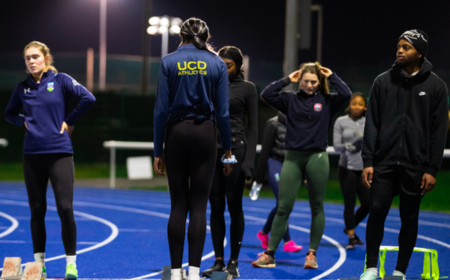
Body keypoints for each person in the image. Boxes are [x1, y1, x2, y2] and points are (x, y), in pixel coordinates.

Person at [360, 30, 448, 280]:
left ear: (419, 53)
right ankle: (371, 268)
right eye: (398, 46)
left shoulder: (437, 87)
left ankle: (400, 270)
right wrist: (368, 161)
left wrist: (432, 168)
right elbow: (372, 124)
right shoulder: (382, 82)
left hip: (416, 165)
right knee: (376, 210)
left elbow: (439, 131)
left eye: (406, 47)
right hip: (384, 162)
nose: (399, 51)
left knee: (409, 217)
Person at [4, 41, 96, 280]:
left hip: (59, 153)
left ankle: (71, 265)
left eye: (35, 56)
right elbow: (9, 114)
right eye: (27, 58)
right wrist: (22, 121)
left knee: (65, 208)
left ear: (46, 57)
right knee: (37, 210)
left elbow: (89, 98)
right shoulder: (21, 87)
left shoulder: (61, 80)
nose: (31, 61)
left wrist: (70, 119)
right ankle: (39, 266)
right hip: (32, 155)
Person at [153, 18, 235, 280]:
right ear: (207, 36)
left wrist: (158, 150)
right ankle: (195, 271)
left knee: (178, 205)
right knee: (200, 206)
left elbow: (161, 111)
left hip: (176, 133)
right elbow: (223, 113)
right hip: (205, 135)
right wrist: (228, 150)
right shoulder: (218, 63)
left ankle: (176, 273)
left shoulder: (168, 61)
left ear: (181, 36)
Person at [252, 62, 351, 269]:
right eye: (305, 81)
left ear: (319, 81)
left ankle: (311, 255)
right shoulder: (290, 99)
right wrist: (287, 79)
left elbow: (346, 94)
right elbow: (266, 95)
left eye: (314, 81)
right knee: (283, 207)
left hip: (317, 157)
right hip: (293, 158)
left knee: (317, 206)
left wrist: (331, 75)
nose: (309, 85)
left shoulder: (327, 100)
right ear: (300, 80)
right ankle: (269, 254)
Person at [201, 46, 258, 278]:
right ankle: (218, 260)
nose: (224, 69)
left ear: (238, 66)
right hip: (210, 151)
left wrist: (249, 162)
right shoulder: (209, 85)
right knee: (215, 207)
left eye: (228, 65)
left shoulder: (248, 89)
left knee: (234, 207)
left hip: (234, 151)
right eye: (220, 65)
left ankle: (234, 262)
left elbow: (254, 129)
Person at [252, 112, 303, 253]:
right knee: (282, 203)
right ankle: (287, 241)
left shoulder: (298, 123)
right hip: (274, 162)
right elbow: (265, 151)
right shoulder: (272, 123)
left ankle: (263, 233)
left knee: (283, 204)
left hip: (290, 165)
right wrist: (260, 175)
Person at [333, 92, 370, 250]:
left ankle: (350, 226)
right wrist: (351, 145)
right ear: (349, 105)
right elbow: (336, 146)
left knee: (368, 204)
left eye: (360, 104)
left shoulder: (369, 122)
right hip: (346, 168)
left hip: (364, 170)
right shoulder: (341, 121)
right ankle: (351, 237)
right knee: (350, 204)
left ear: (365, 107)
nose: (356, 107)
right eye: (354, 103)